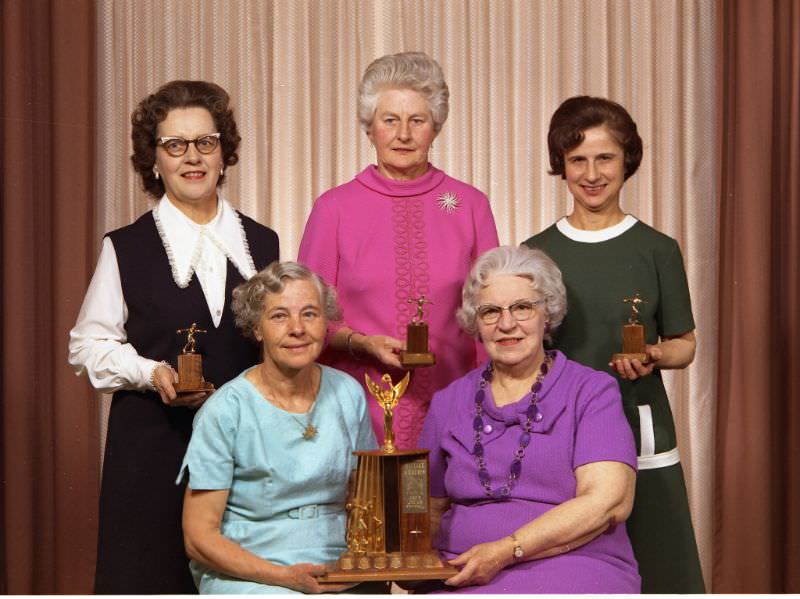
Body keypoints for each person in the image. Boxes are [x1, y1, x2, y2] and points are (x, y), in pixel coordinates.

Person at [68, 80, 279, 593]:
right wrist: (150, 371)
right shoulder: (126, 246)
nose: (192, 157)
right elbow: (87, 345)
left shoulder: (263, 242)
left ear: (224, 154)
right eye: (174, 145)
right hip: (150, 453)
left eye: (205, 143)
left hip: (243, 456)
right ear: (154, 161)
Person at [523, 95, 704, 592]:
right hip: (559, 433)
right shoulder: (536, 252)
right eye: (577, 159)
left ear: (628, 160)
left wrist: (655, 356)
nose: (592, 173)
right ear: (561, 164)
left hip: (640, 421)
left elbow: (685, 344)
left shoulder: (657, 249)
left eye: (605, 157)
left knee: (659, 565)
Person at [298, 51, 499, 449]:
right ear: (369, 128)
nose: (403, 134)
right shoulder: (333, 208)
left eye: (417, 121)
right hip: (354, 413)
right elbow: (308, 320)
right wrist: (362, 342)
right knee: (371, 510)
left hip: (455, 409)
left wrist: (488, 406)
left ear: (436, 128)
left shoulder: (469, 205)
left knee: (442, 510)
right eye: (390, 120)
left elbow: (490, 315)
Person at [418, 246, 640, 594]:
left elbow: (608, 501)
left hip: (575, 567)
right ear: (475, 322)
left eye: (522, 307)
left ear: (547, 314)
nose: (507, 324)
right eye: (490, 311)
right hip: (464, 571)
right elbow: (426, 512)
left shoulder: (591, 391)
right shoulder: (448, 402)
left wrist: (507, 550)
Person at [178, 262, 377, 594]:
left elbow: (367, 499)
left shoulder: (348, 393)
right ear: (257, 328)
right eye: (279, 316)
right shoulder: (225, 411)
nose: (297, 328)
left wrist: (358, 565)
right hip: (250, 570)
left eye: (310, 314)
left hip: (336, 566)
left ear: (326, 322)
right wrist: (284, 578)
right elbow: (198, 538)